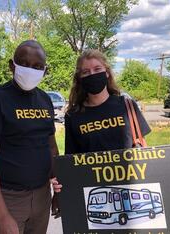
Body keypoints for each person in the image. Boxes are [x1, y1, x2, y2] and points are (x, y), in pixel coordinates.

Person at [0, 40, 59, 234]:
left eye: (37, 66)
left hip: (41, 195)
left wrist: (57, 190)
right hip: (7, 198)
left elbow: (51, 147)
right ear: (12, 65)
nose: (30, 70)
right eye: (24, 63)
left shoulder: (45, 100)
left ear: (45, 71)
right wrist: (2, 214)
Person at [52, 49, 151, 194]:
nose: (92, 75)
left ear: (107, 72)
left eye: (97, 69)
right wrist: (61, 187)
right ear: (79, 78)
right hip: (92, 190)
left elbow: (144, 149)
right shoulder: (73, 116)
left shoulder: (126, 105)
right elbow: (71, 160)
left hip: (130, 186)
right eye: (86, 72)